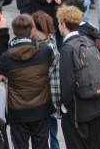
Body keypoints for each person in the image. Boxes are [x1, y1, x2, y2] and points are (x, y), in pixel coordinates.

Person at [0, 14, 54, 149]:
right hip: (41, 109)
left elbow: (0, 71)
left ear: (14, 32)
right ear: (32, 30)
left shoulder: (6, 57)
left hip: (17, 112)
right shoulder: (45, 52)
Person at [57, 5, 100, 149]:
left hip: (78, 111)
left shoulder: (67, 49)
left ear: (63, 24)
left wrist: (66, 107)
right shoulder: (89, 42)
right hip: (97, 105)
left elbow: (67, 84)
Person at [32, 11, 61, 149]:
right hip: (49, 101)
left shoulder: (44, 49)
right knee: (51, 136)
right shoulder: (51, 43)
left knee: (48, 138)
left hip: (44, 102)